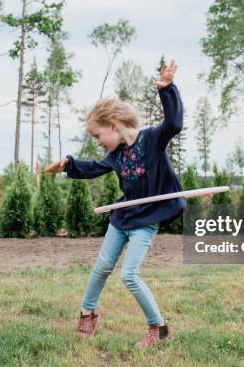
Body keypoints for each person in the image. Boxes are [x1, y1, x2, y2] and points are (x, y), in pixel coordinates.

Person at [45, 59, 185, 349]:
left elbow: (174, 123)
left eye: (98, 135)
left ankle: (159, 328)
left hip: (146, 220)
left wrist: (168, 90)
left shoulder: (152, 139)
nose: (97, 141)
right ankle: (87, 312)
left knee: (130, 275)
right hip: (122, 216)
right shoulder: (116, 155)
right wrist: (67, 165)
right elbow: (93, 168)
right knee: (102, 266)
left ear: (114, 125)